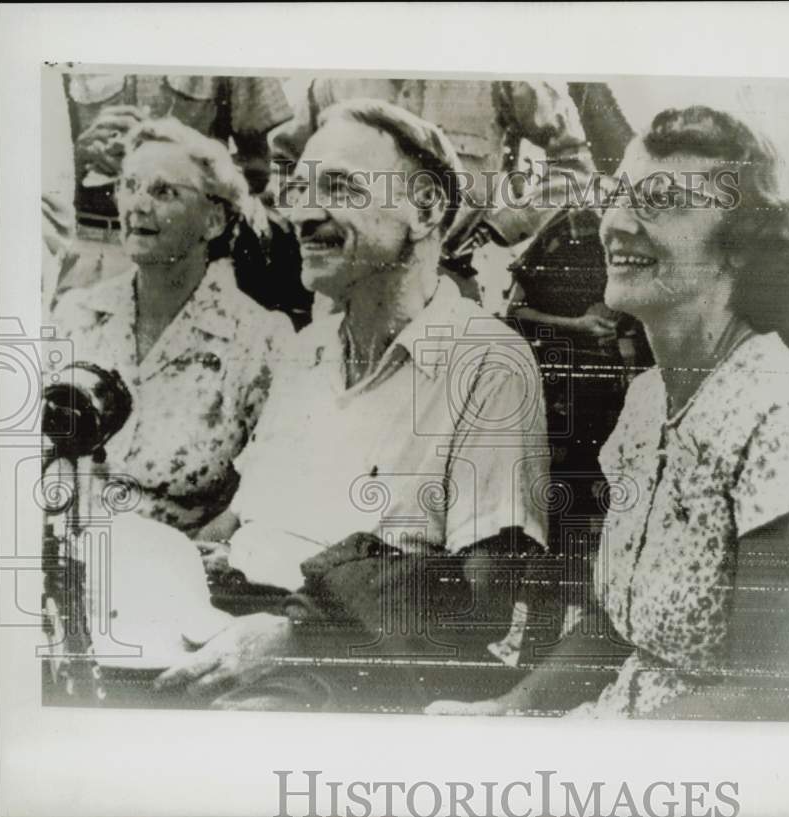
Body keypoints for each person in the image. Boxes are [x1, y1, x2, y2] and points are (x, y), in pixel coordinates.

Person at [428, 106, 789, 720]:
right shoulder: (645, 403)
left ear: (741, 251)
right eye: (617, 196)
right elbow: (615, 630)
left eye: (660, 200)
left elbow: (767, 694)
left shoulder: (784, 414)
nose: (615, 223)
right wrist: (509, 712)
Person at [154, 100, 551, 710]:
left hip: (358, 668)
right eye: (300, 188)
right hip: (227, 621)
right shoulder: (306, 351)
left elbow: (479, 608)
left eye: (338, 187)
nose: (304, 212)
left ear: (425, 210)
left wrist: (297, 634)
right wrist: (172, 564)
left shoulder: (487, 363)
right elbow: (240, 520)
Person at [50, 117, 292, 536]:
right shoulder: (76, 314)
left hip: (178, 576)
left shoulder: (259, 341)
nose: (137, 205)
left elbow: (263, 493)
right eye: (129, 185)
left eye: (164, 192)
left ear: (213, 220)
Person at [270, 77, 595, 303]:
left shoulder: (502, 72)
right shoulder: (337, 79)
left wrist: (504, 226)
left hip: (456, 279)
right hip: (347, 289)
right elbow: (284, 159)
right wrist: (317, 219)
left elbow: (575, 163)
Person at [55, 72, 311, 328]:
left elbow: (262, 166)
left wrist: (192, 172)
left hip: (191, 258)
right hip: (90, 250)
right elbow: (32, 171)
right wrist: (73, 157)